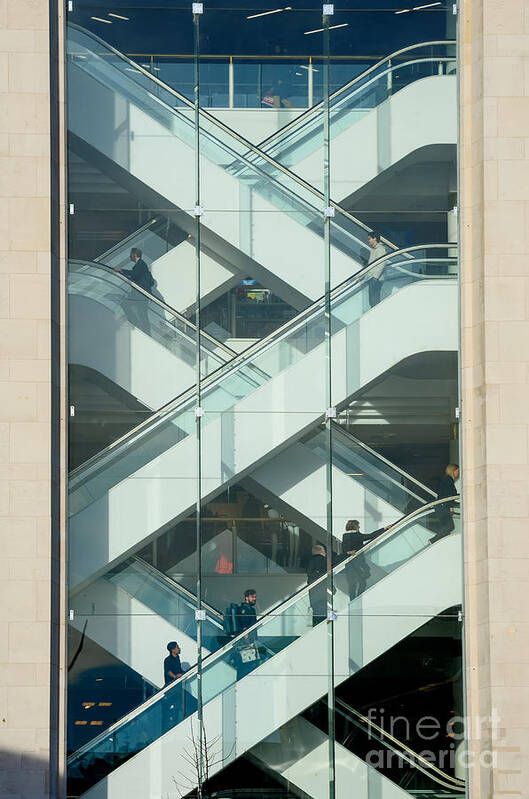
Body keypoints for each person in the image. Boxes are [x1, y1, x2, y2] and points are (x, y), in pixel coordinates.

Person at [342, 519, 392, 599]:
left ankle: (353, 600)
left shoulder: (345, 536)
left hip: (349, 565)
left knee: (352, 585)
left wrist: (348, 552)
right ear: (355, 526)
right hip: (358, 564)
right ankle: (357, 599)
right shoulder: (357, 535)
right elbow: (371, 536)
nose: (359, 526)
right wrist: (384, 529)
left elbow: (344, 550)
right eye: (358, 525)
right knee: (362, 582)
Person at [115, 247, 155, 334]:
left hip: (141, 295)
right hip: (140, 295)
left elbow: (134, 275)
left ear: (134, 255)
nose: (130, 257)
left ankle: (140, 327)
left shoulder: (140, 264)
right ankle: (140, 327)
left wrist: (121, 270)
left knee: (140, 312)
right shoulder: (141, 265)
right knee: (141, 313)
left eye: (131, 255)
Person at [431, 464, 459, 543]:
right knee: (450, 526)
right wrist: (451, 507)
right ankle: (433, 540)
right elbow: (448, 496)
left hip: (441, 507)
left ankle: (438, 542)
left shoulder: (447, 480)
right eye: (457, 471)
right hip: (442, 507)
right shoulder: (448, 480)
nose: (458, 473)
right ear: (453, 471)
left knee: (447, 528)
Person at [306, 543, 327, 626]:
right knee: (328, 610)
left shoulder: (311, 561)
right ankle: (331, 627)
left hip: (314, 593)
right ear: (321, 552)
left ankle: (315, 627)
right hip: (323, 592)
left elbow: (310, 575)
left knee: (316, 611)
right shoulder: (323, 560)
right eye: (324, 551)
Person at [366, 231, 387, 308]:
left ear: (374, 238)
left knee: (374, 300)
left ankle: (376, 317)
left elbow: (382, 264)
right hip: (373, 278)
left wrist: (375, 277)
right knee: (372, 300)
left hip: (376, 279)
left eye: (369, 239)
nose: (368, 240)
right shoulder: (373, 249)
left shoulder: (380, 249)